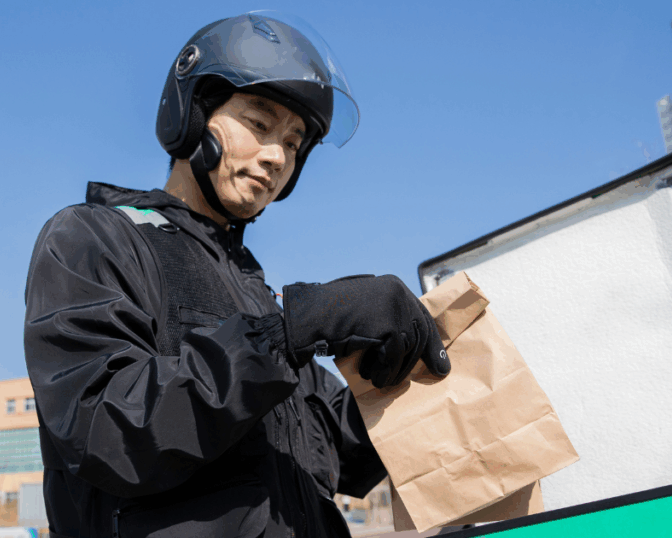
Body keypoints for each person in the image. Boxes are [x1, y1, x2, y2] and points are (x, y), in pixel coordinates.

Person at [23, 11, 451, 538]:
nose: (276, 156)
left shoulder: (253, 290)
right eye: (259, 123)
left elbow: (333, 457)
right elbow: (106, 429)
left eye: (294, 144)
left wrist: (392, 379)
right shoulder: (95, 238)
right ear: (194, 112)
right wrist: (292, 326)